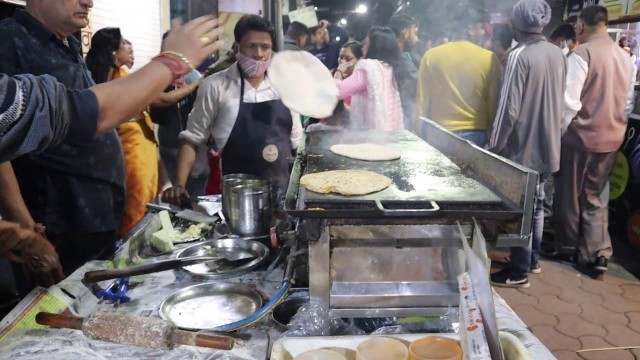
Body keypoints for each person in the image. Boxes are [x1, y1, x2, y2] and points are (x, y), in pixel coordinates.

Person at [0, 16, 222, 286]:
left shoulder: (68, 43)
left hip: (96, 214)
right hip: (57, 219)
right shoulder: (10, 41)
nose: (89, 3)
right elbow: (87, 112)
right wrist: (171, 63)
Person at [163, 15, 303, 207]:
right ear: (238, 47)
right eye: (251, 46)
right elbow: (192, 138)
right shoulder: (215, 85)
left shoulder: (284, 83)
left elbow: (297, 142)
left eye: (265, 47)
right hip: (239, 199)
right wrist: (178, 184)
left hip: (284, 194)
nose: (259, 54)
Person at [487, 0, 566, 288]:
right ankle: (532, 261)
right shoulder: (557, 53)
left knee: (522, 208)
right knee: (537, 203)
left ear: (515, 25)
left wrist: (493, 147)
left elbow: (508, 110)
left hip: (524, 149)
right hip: (549, 146)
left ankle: (518, 272)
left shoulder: (519, 56)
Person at [555, 5, 633, 274]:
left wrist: (561, 132)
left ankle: (568, 247)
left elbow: (569, 102)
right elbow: (628, 103)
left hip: (581, 137)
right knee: (597, 194)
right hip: (612, 137)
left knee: (570, 195)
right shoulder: (625, 57)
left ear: (581, 26)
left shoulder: (582, 53)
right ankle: (598, 252)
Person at [85, 28, 160, 237]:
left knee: (142, 199)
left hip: (138, 146)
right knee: (136, 202)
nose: (130, 49)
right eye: (125, 45)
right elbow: (159, 99)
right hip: (130, 149)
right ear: (113, 53)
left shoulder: (115, 77)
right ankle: (129, 249)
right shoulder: (114, 81)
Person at [416, 9, 501, 147]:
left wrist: (418, 136)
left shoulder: (431, 56)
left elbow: (421, 102)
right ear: (471, 29)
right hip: (476, 136)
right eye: (482, 28)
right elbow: (493, 103)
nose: (484, 33)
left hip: (439, 134)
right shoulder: (489, 58)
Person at [334, 27, 405, 131]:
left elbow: (336, 92)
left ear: (375, 46)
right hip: (391, 131)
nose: (362, 48)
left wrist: (339, 71)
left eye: (366, 44)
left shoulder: (368, 68)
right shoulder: (389, 67)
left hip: (370, 134)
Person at [388, 14, 420, 128]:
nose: (417, 39)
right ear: (405, 33)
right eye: (415, 34)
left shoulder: (387, 55)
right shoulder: (402, 63)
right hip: (401, 125)